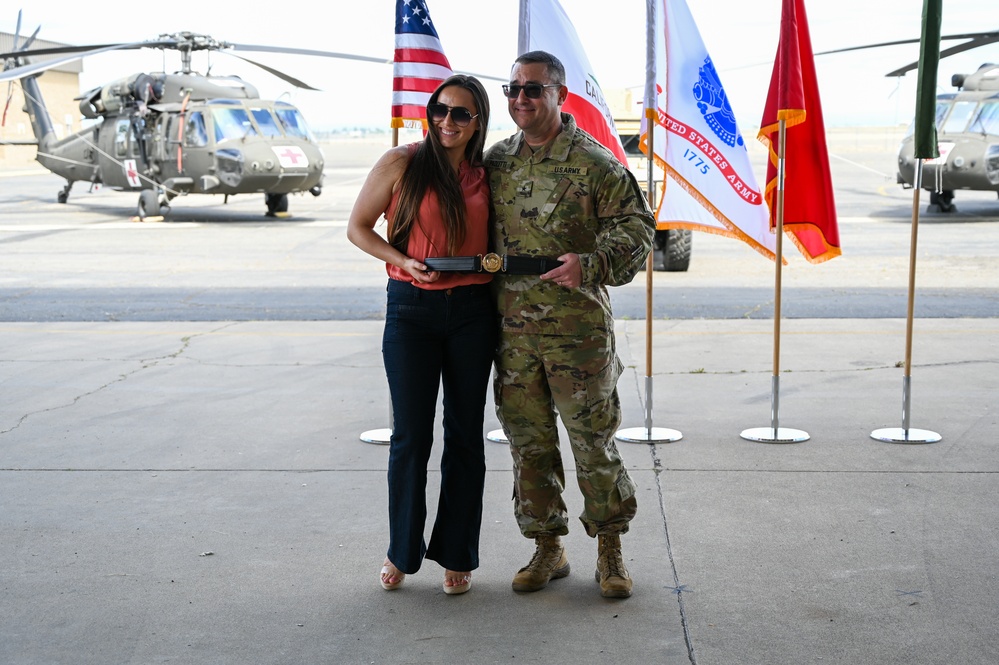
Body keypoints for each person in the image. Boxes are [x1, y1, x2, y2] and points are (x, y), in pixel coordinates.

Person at [484, 51, 655, 599]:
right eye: (512, 89)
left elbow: (638, 230)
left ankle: (610, 549)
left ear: (559, 94)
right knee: (528, 445)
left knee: (592, 443)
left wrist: (592, 263)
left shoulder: (595, 162)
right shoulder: (496, 162)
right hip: (512, 336)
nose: (520, 99)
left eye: (532, 89)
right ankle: (547, 546)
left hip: (577, 334)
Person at [346, 75, 494, 596]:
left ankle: (457, 552)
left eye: (460, 114)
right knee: (411, 437)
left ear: (478, 123)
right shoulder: (402, 162)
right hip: (411, 309)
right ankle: (401, 549)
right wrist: (403, 259)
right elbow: (359, 228)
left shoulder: (488, 172)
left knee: (465, 437)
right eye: (440, 110)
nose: (447, 122)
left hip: (475, 311)